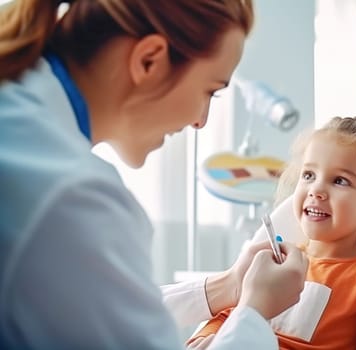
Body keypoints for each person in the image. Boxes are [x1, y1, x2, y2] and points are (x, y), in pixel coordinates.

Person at [0, 1, 308, 349]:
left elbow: (95, 305)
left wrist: (230, 288)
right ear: (149, 60)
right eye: (210, 90)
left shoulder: (18, 114)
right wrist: (255, 313)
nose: (200, 121)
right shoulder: (75, 196)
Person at [187, 116, 356, 349]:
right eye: (308, 176)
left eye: (340, 181)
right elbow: (228, 316)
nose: (316, 190)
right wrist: (202, 338)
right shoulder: (276, 263)